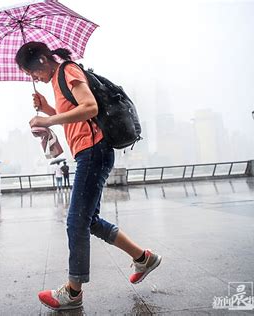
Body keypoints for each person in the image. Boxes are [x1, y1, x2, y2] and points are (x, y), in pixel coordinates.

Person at [16, 42, 162, 311]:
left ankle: (73, 292)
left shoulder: (67, 72)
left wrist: (48, 121)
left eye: (30, 72)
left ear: (40, 61)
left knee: (76, 223)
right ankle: (144, 258)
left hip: (93, 151)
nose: (33, 78)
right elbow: (76, 116)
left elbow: (90, 107)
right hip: (89, 152)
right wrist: (49, 109)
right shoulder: (60, 81)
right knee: (90, 221)